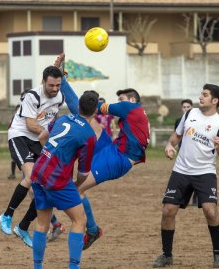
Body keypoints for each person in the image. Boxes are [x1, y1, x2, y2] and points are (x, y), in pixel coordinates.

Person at [55, 53, 150, 250]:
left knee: (74, 189)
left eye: (121, 98)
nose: (118, 102)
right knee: (91, 123)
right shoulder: (136, 113)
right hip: (114, 148)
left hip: (119, 159)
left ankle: (92, 230)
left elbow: (87, 106)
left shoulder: (130, 107)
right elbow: (85, 110)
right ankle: (90, 228)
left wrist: (62, 81)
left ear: (131, 100)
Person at [152, 84, 219, 268]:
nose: (200, 97)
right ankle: (167, 255)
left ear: (215, 101)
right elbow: (176, 136)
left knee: (210, 211)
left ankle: (217, 254)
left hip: (205, 172)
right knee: (168, 211)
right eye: (201, 94)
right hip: (181, 170)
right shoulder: (189, 115)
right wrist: (169, 145)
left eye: (204, 95)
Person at [0, 65, 66, 248]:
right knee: (31, 178)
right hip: (20, 135)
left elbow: (54, 116)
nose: (54, 89)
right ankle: (7, 215)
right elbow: (30, 125)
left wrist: (57, 128)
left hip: (39, 140)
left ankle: (23, 226)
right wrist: (53, 137)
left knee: (44, 187)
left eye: (57, 85)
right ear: (43, 82)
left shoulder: (60, 97)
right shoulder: (32, 96)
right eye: (51, 85)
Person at [31, 90, 98, 269]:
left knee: (42, 223)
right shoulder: (89, 136)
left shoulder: (63, 118)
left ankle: (37, 267)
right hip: (56, 179)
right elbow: (83, 173)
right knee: (79, 220)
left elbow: (42, 137)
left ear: (78, 106)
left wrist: (52, 155)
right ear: (95, 111)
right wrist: (75, 185)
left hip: (38, 172)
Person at [174, 99, 198, 206]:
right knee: (183, 174)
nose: (186, 109)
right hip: (182, 151)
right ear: (181, 108)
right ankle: (183, 198)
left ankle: (196, 198)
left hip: (195, 151)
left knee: (197, 174)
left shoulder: (197, 120)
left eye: (188, 107)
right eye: (184, 107)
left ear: (191, 108)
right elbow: (177, 136)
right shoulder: (179, 121)